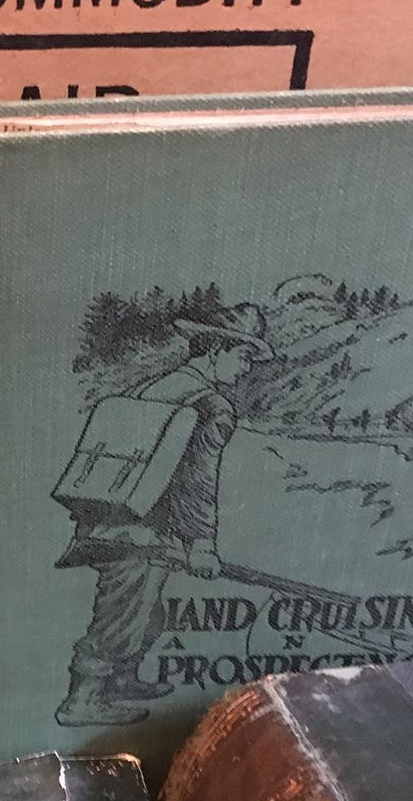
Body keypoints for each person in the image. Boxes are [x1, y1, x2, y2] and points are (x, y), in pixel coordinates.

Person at [55, 303, 274, 726]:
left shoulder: (159, 384)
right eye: (244, 355)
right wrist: (203, 544)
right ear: (216, 349)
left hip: (114, 518)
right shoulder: (212, 407)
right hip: (144, 531)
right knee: (121, 615)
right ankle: (82, 701)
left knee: (144, 611)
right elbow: (197, 479)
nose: (247, 368)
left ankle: (121, 681)